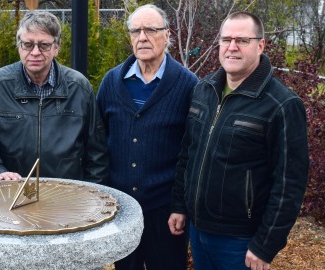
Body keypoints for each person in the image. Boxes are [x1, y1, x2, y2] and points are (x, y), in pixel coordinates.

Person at [168, 11, 309, 270]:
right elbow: (188, 153)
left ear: (261, 45)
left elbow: (290, 186)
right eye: (226, 40)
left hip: (241, 242)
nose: (232, 47)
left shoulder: (281, 105)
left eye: (242, 40)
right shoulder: (203, 90)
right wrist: (179, 204)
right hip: (198, 232)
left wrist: (266, 245)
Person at [96, 4, 198, 270]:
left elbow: (192, 151)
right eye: (136, 31)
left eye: (151, 30)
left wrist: (180, 205)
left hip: (166, 211)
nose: (143, 37)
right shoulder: (112, 82)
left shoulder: (188, 85)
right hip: (121, 209)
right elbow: (98, 143)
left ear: (167, 34)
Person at [0, 11, 108, 184]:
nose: (35, 52)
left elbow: (97, 153)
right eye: (28, 44)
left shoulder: (79, 88)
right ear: (19, 46)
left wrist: (91, 196)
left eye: (43, 45)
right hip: (11, 193)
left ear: (56, 47)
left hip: (68, 197)